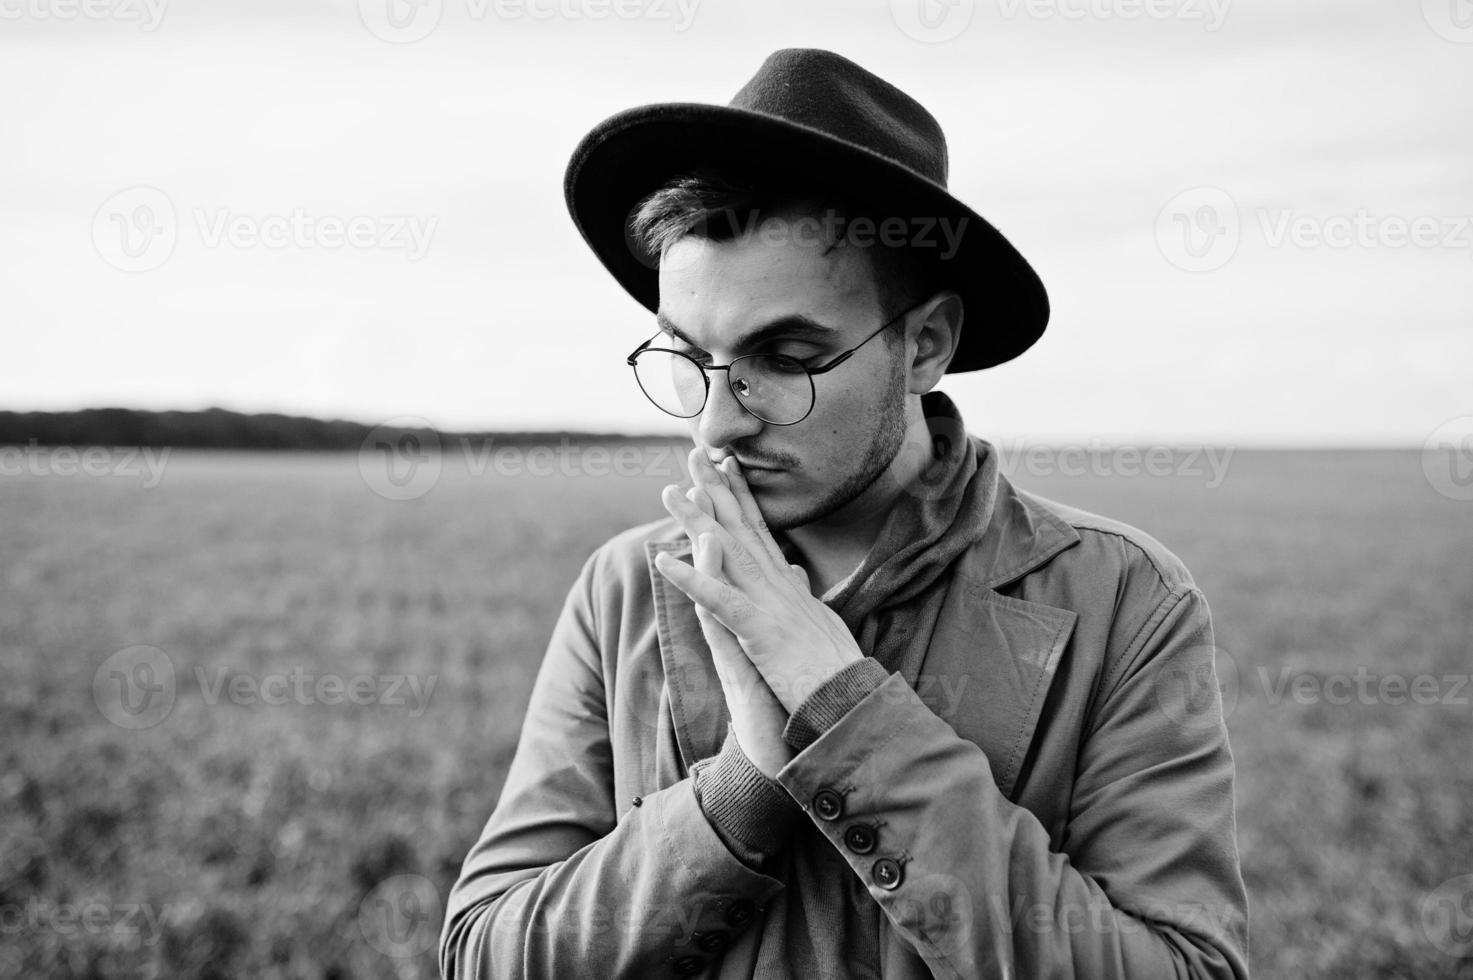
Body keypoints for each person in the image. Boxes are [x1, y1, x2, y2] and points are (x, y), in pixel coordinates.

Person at [441, 48, 1249, 979]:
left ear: (924, 345)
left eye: (785, 356)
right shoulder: (625, 586)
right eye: (687, 358)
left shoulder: (1121, 598)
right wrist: (744, 784)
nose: (716, 421)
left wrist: (844, 715)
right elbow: (485, 955)